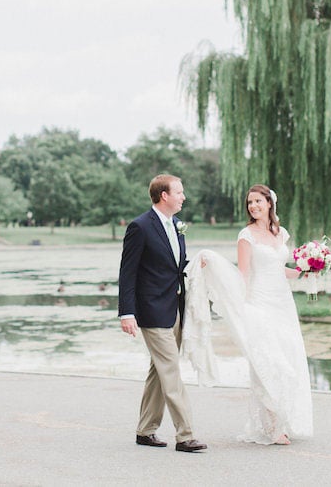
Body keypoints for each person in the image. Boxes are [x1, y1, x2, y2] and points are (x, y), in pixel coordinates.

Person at [183, 183, 313, 445]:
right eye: (250, 202)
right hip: (260, 303)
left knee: (289, 356)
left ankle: (285, 419)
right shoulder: (246, 235)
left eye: (258, 201)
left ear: (269, 203)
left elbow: (279, 269)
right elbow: (243, 273)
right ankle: (273, 428)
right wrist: (237, 301)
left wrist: (304, 270)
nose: (253, 206)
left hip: (283, 304)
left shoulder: (281, 233)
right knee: (268, 360)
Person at [118, 174, 207, 453]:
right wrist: (127, 313)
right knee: (170, 371)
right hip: (152, 311)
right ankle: (186, 435)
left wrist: (198, 267)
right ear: (164, 196)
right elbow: (127, 273)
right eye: (179, 192)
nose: (183, 197)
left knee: (159, 371)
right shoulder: (140, 227)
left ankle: (145, 431)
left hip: (175, 309)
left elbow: (174, 266)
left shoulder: (177, 225)